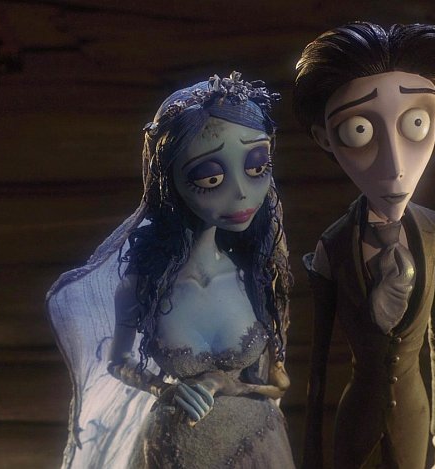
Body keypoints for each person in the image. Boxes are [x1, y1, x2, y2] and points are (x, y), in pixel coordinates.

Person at [46, 72, 295, 469]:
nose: (241, 192)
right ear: (169, 181)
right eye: (211, 178)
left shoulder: (256, 277)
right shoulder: (143, 285)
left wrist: (227, 383)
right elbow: (118, 362)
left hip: (257, 446)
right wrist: (163, 389)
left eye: (256, 166)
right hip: (176, 447)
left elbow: (280, 383)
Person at [293, 22, 435, 469]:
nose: (395, 166)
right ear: (325, 138)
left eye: (416, 123)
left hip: (414, 417)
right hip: (357, 422)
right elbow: (316, 367)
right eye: (359, 131)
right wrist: (311, 456)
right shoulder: (334, 246)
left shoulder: (432, 231)